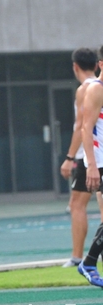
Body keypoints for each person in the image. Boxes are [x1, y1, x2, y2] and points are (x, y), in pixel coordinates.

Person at [59, 48, 98, 267]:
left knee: (76, 204)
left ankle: (77, 257)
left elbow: (81, 127)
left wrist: (69, 157)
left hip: (90, 156)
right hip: (96, 154)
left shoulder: (86, 89)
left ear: (75, 67)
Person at [78, 46, 103, 287]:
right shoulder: (96, 89)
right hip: (100, 161)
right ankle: (88, 262)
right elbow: (86, 128)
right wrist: (92, 166)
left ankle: (90, 262)